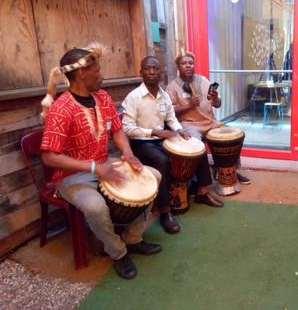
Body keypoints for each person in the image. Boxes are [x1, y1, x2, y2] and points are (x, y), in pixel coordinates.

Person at [40, 44, 160, 280]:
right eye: (97, 69)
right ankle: (118, 252)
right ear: (82, 73)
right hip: (71, 177)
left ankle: (133, 238)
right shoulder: (61, 109)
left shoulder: (103, 97)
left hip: (105, 163)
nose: (102, 74)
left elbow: (117, 131)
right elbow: (49, 157)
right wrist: (95, 168)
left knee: (153, 177)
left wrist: (128, 153)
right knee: (95, 207)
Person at [122, 56, 224, 212]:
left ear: (161, 72)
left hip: (161, 139)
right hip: (142, 142)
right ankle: (165, 210)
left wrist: (178, 130)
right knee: (163, 160)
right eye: (148, 69)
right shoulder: (133, 97)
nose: (151, 72)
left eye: (155, 69)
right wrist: (155, 132)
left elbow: (170, 118)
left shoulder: (163, 96)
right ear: (141, 72)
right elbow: (127, 128)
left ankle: (202, 191)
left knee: (196, 147)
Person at [166, 51, 251, 185]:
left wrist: (216, 98)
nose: (188, 66)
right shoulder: (172, 87)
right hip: (190, 125)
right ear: (178, 66)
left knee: (234, 137)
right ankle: (197, 180)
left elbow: (217, 104)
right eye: (184, 63)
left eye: (191, 63)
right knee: (196, 145)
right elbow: (169, 113)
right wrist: (188, 106)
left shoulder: (204, 80)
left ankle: (230, 169)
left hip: (211, 123)